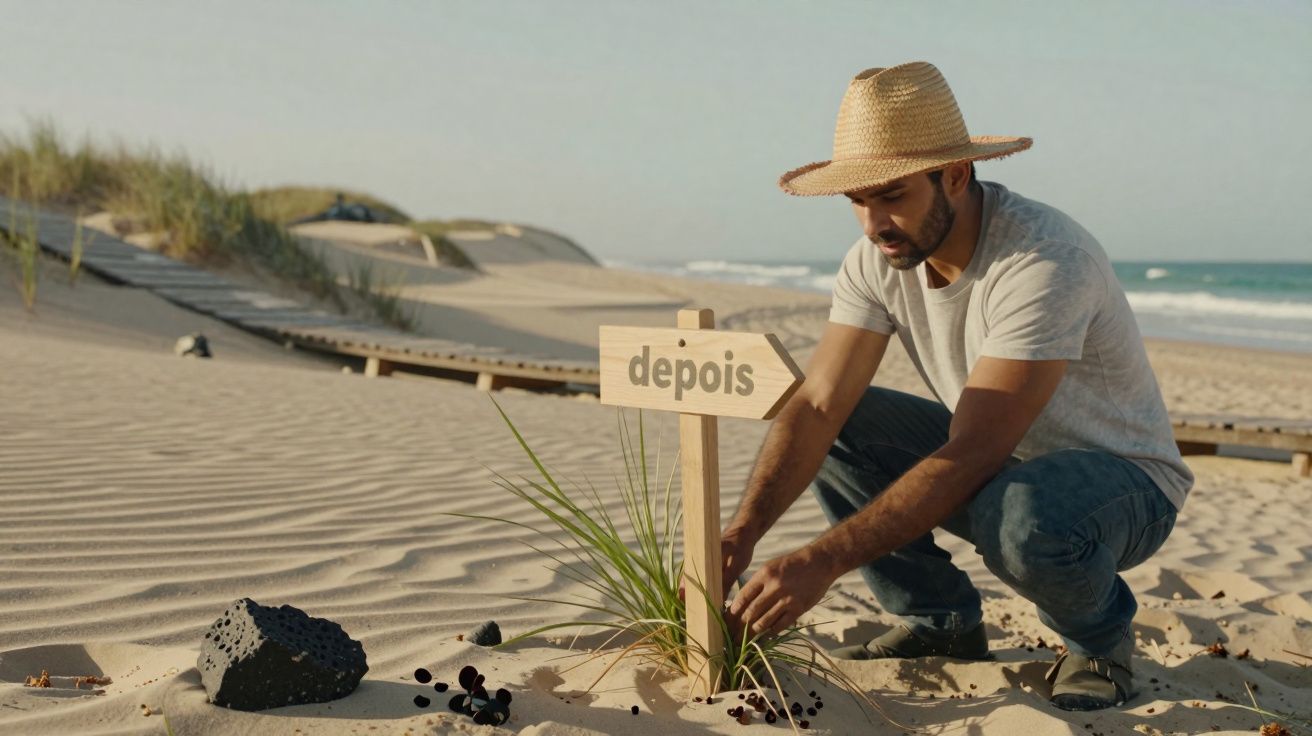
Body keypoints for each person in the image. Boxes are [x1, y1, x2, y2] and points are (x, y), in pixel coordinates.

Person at [720, 61, 1192, 712]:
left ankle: (1100, 643)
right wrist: (743, 532)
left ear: (956, 174)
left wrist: (822, 561)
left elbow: (973, 451)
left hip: (1124, 484)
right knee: (847, 420)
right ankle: (938, 623)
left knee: (1025, 518)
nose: (872, 223)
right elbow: (821, 401)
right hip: (1005, 464)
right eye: (856, 200)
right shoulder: (877, 259)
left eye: (890, 195)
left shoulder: (1044, 261)